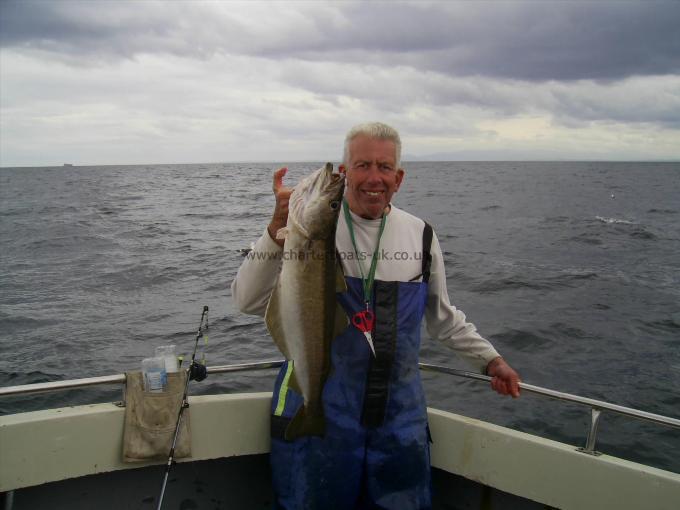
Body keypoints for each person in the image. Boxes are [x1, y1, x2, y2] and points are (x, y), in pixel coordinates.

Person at [231, 122, 521, 510]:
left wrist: (490, 360)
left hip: (398, 419)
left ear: (398, 178)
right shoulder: (302, 233)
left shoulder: (420, 236)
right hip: (322, 409)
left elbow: (443, 317)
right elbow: (248, 301)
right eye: (362, 165)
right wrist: (275, 228)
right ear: (346, 172)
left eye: (384, 167)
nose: (373, 178)